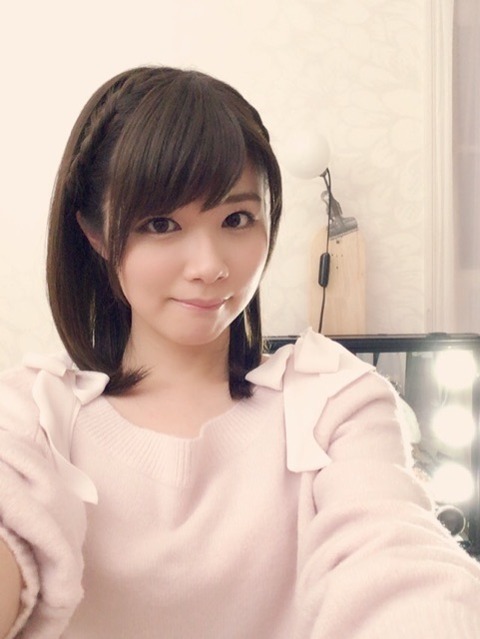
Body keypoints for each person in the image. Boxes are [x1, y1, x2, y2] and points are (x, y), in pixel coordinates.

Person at [1, 66, 480, 639]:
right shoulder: (34, 416)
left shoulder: (334, 403)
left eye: (236, 219)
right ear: (96, 233)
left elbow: (396, 559)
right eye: (161, 223)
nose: (209, 266)